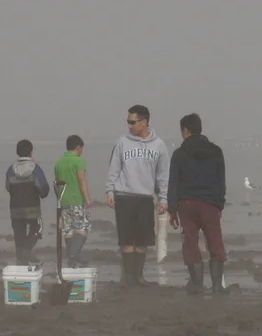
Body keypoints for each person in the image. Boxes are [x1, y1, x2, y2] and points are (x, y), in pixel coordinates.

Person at [107, 105, 170, 287]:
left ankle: (139, 276)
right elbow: (114, 168)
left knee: (142, 240)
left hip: (145, 197)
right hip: (124, 195)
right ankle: (128, 277)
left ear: (144, 122)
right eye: (128, 122)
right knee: (126, 239)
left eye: (133, 122)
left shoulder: (158, 145)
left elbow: (163, 175)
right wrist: (109, 191)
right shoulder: (122, 142)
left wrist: (164, 199)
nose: (130, 126)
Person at [167, 113, 228, 294]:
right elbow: (221, 180)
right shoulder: (216, 151)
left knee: (191, 244)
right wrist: (220, 204)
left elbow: (173, 183)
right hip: (210, 203)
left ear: (185, 131)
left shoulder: (179, 154)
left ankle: (197, 284)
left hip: (187, 204)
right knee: (215, 243)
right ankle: (217, 286)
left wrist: (172, 209)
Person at [5, 139, 51, 266]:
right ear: (31, 151)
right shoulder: (35, 169)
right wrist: (43, 194)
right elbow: (43, 189)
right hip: (32, 209)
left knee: (18, 234)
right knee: (38, 228)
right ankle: (25, 252)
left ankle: (21, 260)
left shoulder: (10, 170)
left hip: (15, 209)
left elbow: (8, 187)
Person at [54, 135, 94, 268]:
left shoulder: (59, 162)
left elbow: (58, 182)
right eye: (82, 149)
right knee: (83, 228)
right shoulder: (79, 161)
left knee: (68, 230)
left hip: (63, 200)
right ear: (78, 148)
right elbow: (82, 180)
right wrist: (87, 199)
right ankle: (73, 254)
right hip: (77, 200)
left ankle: (72, 260)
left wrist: (60, 198)